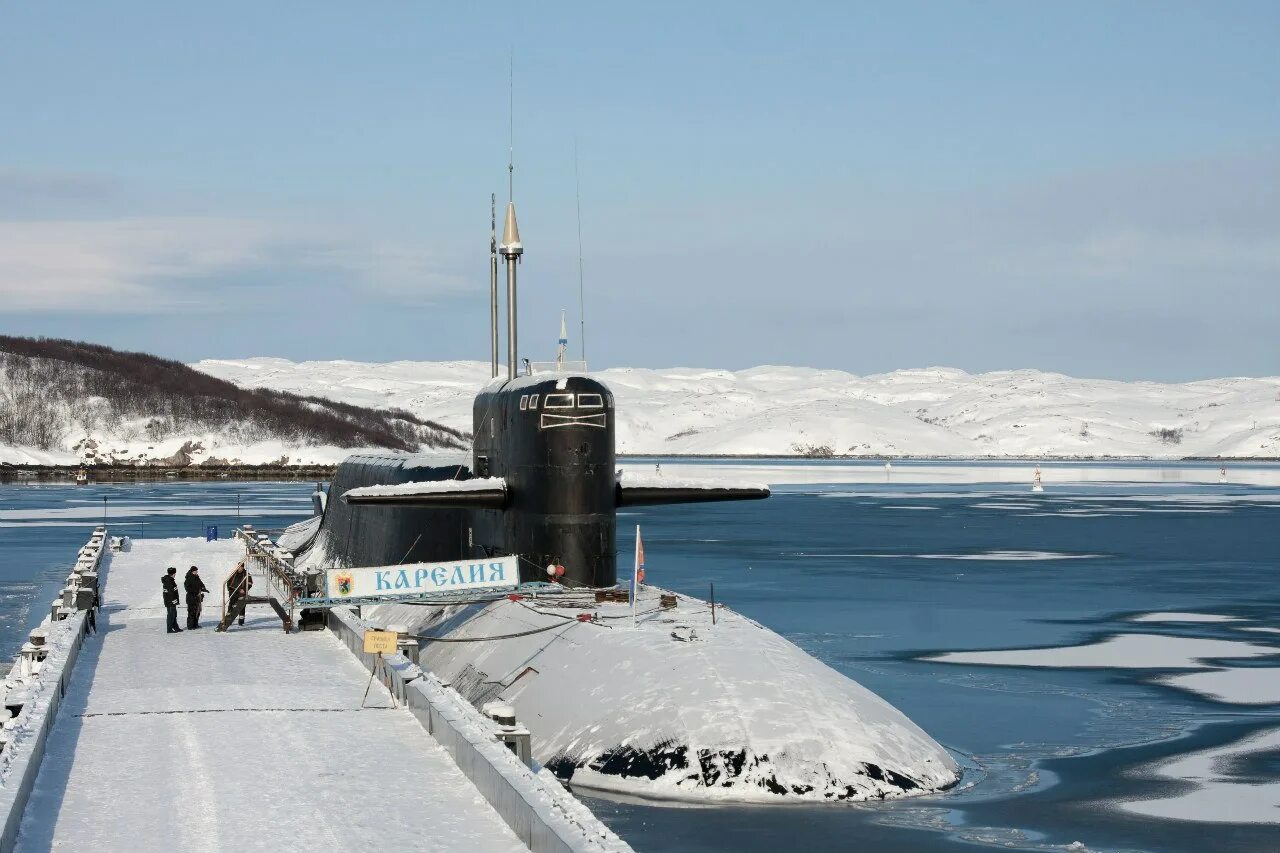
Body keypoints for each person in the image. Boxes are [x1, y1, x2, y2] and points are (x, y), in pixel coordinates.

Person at [224, 562, 253, 628]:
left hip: (241, 593)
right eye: (239, 567)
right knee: (231, 606)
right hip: (233, 592)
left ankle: (241, 621)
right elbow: (228, 582)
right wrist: (229, 589)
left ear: (243, 567)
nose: (240, 568)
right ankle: (227, 620)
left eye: (241, 567)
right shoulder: (233, 574)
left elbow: (250, 584)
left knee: (242, 606)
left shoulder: (247, 574)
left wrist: (244, 590)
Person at [161, 567, 181, 633]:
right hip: (170, 602)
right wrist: (174, 601)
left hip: (171, 601)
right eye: (175, 573)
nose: (175, 574)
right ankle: (169, 629)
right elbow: (170, 593)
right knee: (171, 615)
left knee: (174, 614)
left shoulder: (170, 580)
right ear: (173, 573)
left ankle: (175, 627)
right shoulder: (169, 581)